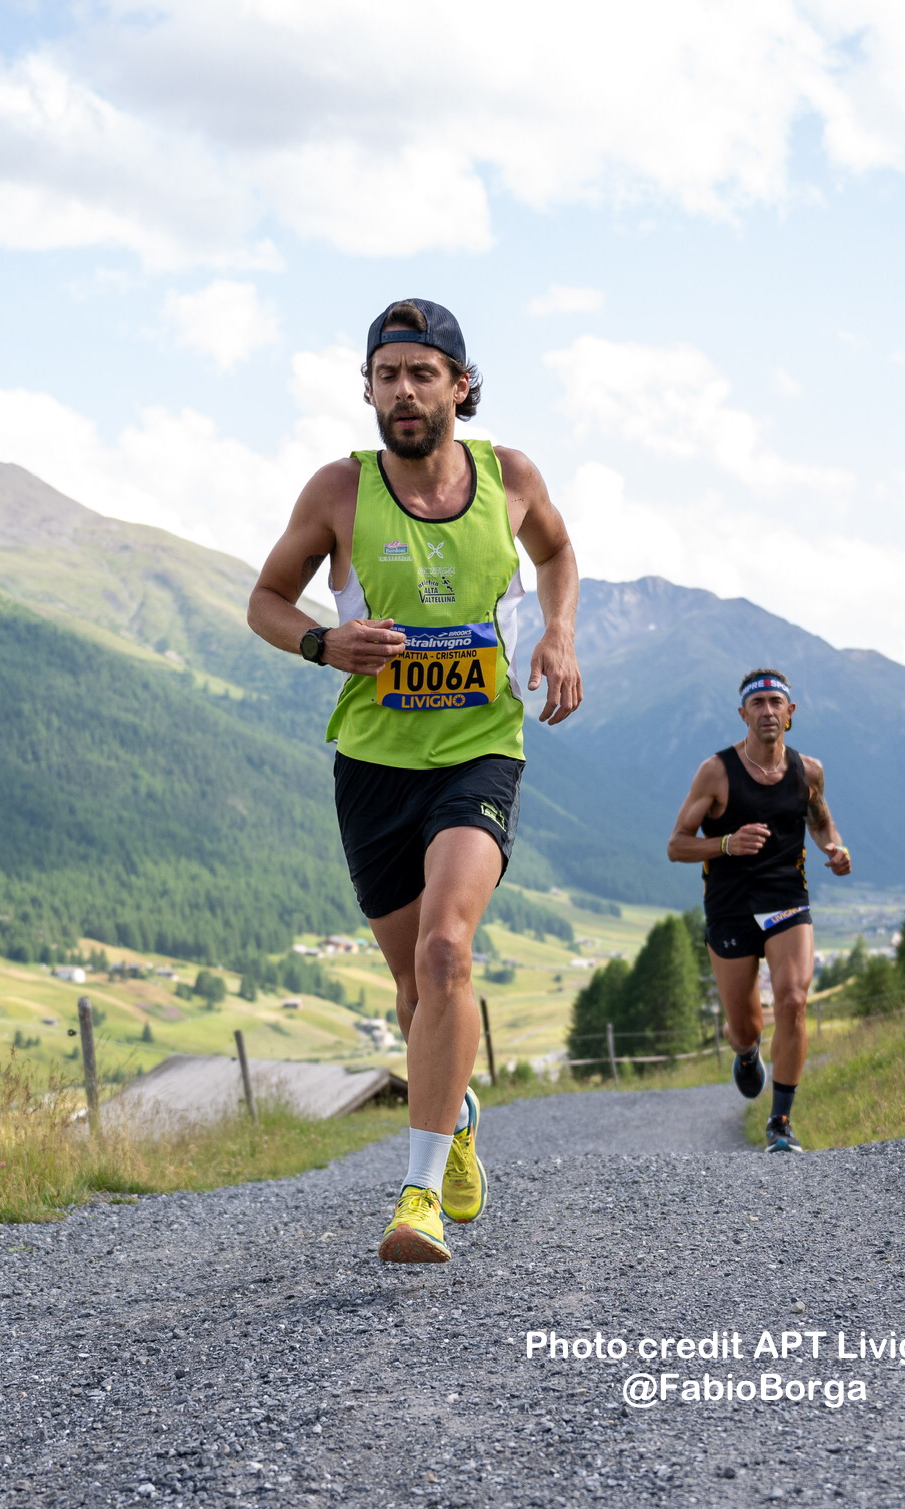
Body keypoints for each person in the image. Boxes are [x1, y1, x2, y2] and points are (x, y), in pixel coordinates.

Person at [248, 298, 582, 1263]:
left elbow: (556, 552)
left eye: (421, 373)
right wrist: (323, 641)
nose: (402, 390)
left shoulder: (508, 477)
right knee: (411, 987)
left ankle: (418, 1194)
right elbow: (265, 601)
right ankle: (459, 1112)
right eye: (385, 374)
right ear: (366, 388)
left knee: (445, 952)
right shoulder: (336, 493)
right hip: (372, 766)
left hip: (479, 750)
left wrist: (556, 631)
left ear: (459, 385)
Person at [664, 670, 852, 1153]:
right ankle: (747, 1054)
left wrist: (835, 848)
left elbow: (821, 821)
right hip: (729, 908)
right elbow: (677, 846)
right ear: (743, 714)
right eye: (758, 704)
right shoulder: (717, 772)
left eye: (776, 703)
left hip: (786, 898)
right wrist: (727, 843)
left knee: (792, 1000)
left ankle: (781, 1123)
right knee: (746, 1026)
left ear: (790, 714)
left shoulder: (808, 771)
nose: (768, 711)